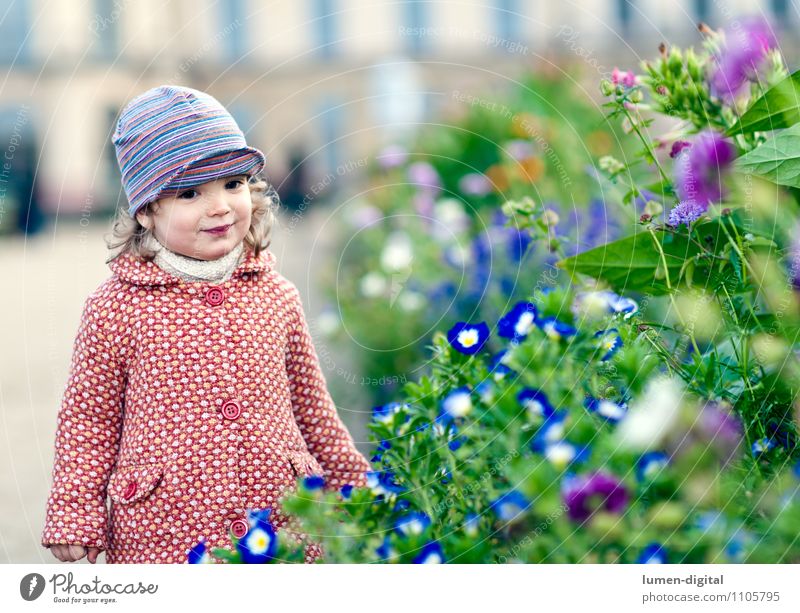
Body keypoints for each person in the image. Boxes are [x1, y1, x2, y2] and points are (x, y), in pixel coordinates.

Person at [41, 85, 370, 564]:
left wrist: (354, 486)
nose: (219, 206)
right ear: (147, 211)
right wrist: (75, 509)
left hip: (279, 520)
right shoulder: (115, 308)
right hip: (164, 533)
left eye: (232, 184)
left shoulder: (277, 295)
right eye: (191, 192)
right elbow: (89, 420)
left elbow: (313, 408)